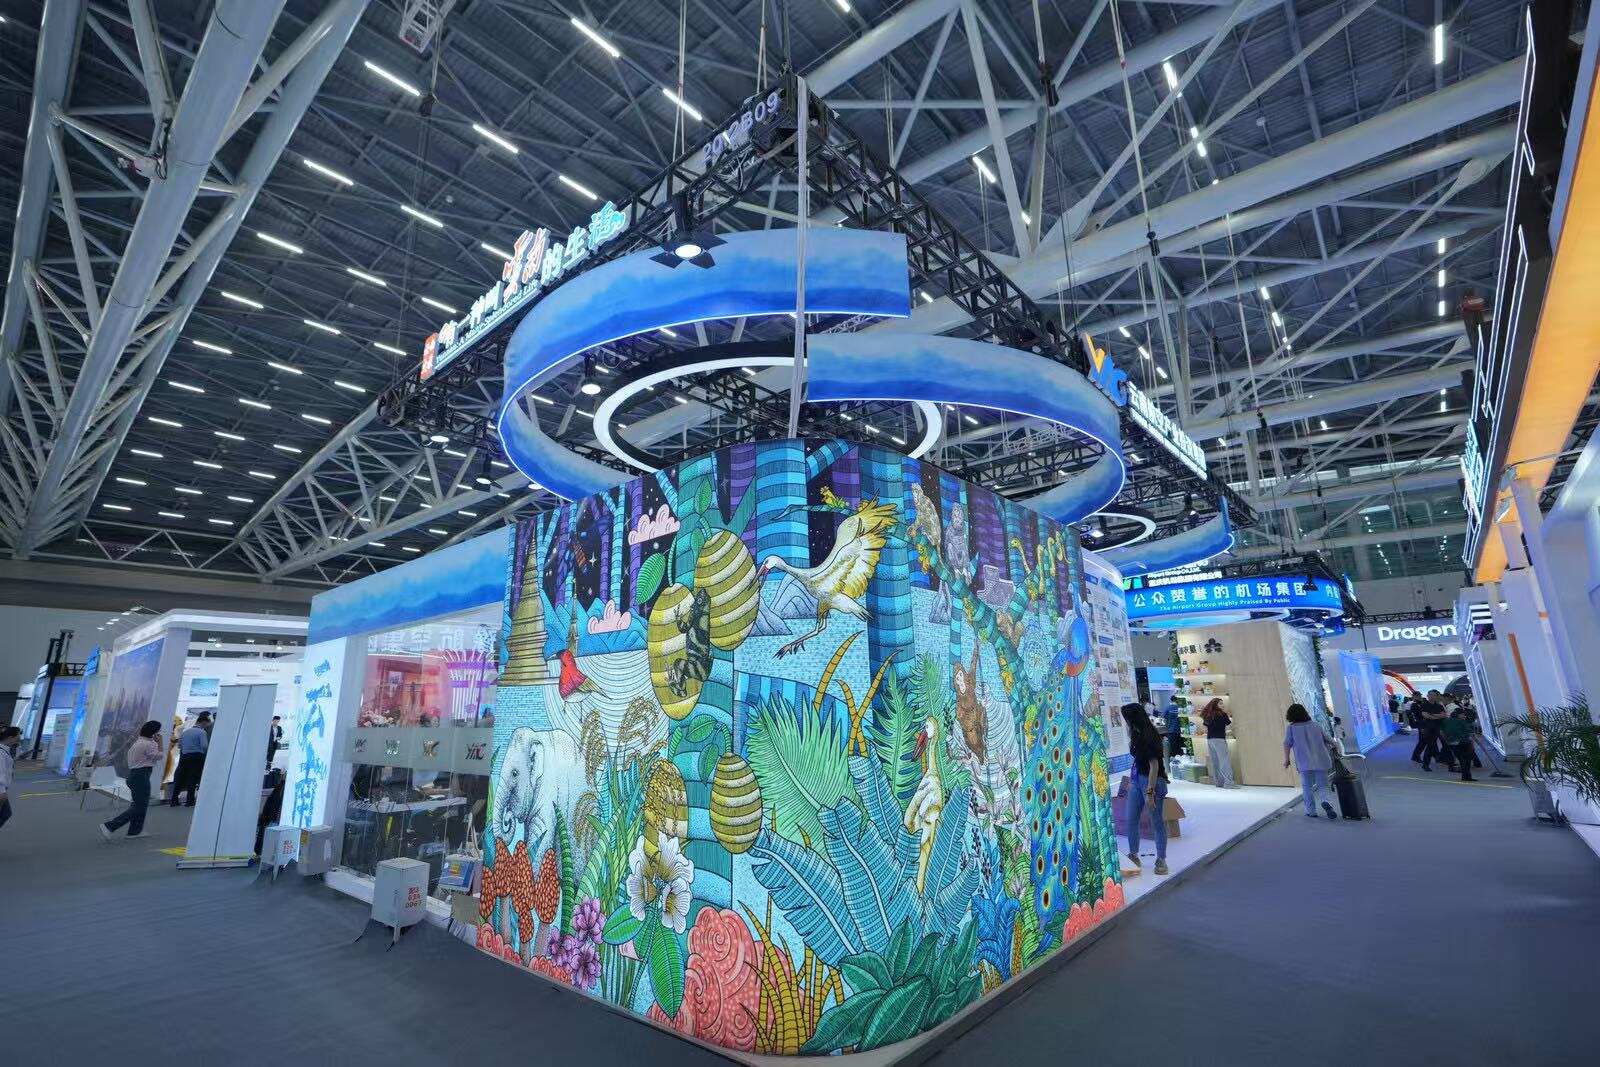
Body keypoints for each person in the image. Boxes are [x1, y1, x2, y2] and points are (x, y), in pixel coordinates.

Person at [1120, 702, 1170, 876]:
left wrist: (1150, 792)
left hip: (1152, 781)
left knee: (1156, 822)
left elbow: (1154, 765)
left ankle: (1161, 859)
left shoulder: (1150, 735)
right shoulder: (1136, 733)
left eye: (1126, 718)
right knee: (1131, 819)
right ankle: (1133, 855)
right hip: (1137, 780)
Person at [100, 721, 163, 840]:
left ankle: (135, 831)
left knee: (138, 804)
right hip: (141, 776)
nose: (159, 733)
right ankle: (110, 826)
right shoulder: (148, 744)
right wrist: (160, 743)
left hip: (135, 775)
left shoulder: (139, 742)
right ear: (154, 732)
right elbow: (159, 756)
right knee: (140, 806)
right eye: (158, 730)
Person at [1283, 704, 1338, 819]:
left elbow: (1287, 744)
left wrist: (1287, 759)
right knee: (1323, 785)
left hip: (1304, 762)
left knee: (1307, 786)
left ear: (1290, 715)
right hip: (1320, 760)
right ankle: (1325, 801)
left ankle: (1311, 811)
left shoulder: (1291, 728)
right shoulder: (1315, 725)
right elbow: (1329, 739)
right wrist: (1335, 746)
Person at [170, 712, 210, 806]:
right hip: (197, 757)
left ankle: (174, 800)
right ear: (203, 722)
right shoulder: (202, 732)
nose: (206, 726)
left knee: (180, 777)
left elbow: (179, 746)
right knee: (192, 778)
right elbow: (204, 746)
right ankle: (189, 801)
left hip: (184, 756)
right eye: (206, 724)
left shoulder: (185, 732)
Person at [1410, 690, 1455, 772]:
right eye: (1430, 695)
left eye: (1434, 695)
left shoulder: (1439, 706)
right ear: (1427, 696)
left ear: (1436, 696)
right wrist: (1436, 716)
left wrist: (1432, 715)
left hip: (1439, 727)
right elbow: (1425, 715)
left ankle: (1450, 765)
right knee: (1430, 745)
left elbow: (1444, 715)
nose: (1432, 696)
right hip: (1428, 728)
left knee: (1444, 745)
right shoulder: (1423, 705)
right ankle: (1426, 764)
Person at [1198, 698, 1236, 788]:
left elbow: (1205, 728)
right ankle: (1228, 783)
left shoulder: (1208, 715)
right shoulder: (1222, 714)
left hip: (1210, 739)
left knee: (1215, 761)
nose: (1223, 705)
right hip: (1219, 739)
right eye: (1220, 704)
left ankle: (1219, 783)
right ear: (1215, 705)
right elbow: (1229, 726)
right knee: (1224, 761)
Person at [1441, 708, 1477, 782]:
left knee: (1461, 760)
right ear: (1459, 714)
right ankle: (1467, 776)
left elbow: (1442, 731)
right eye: (1463, 714)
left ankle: (1465, 776)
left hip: (1452, 743)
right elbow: (1469, 733)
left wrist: (1447, 740)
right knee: (1467, 760)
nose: (1464, 716)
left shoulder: (1446, 721)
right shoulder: (1461, 721)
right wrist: (1472, 743)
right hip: (1463, 742)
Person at [0, 725, 21, 832]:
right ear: (10, 737)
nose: (19, 738)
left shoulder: (5, 750)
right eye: (18, 736)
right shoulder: (1, 752)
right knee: (5, 813)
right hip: (1, 791)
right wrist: (1, 791)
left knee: (6, 813)